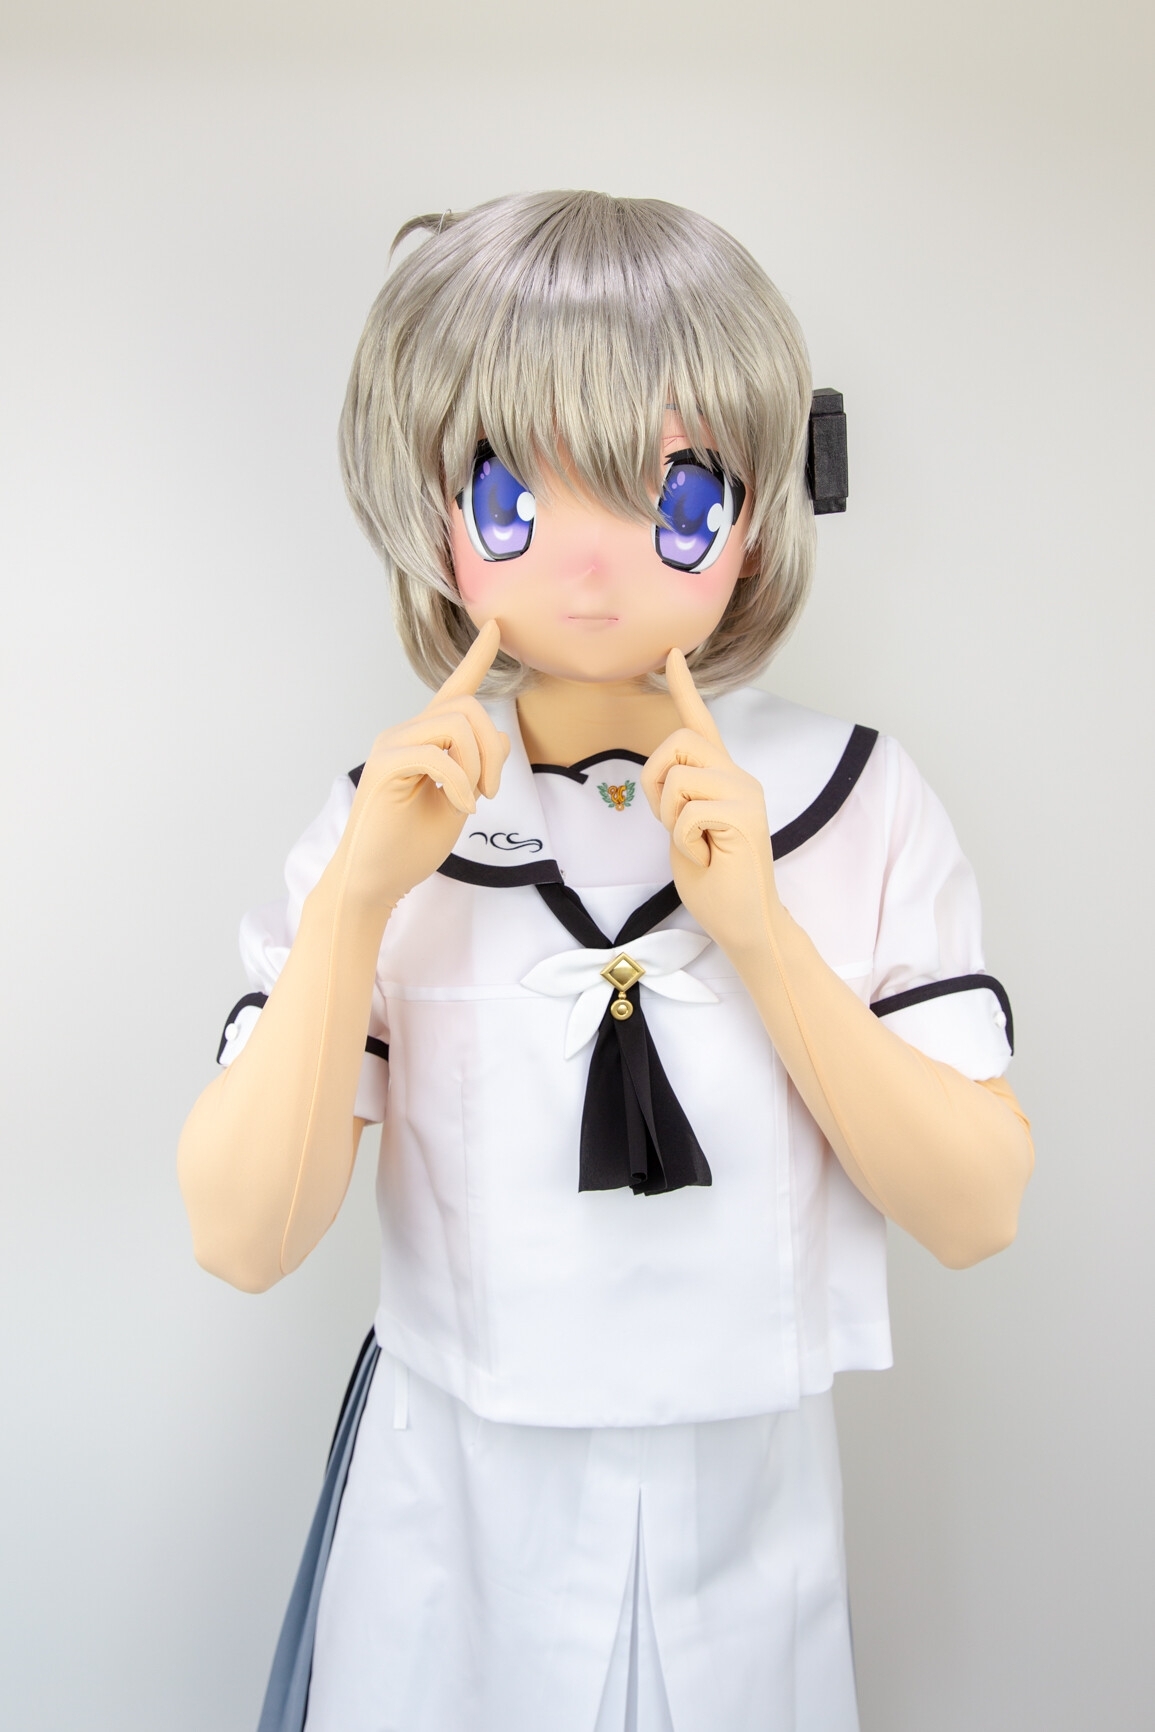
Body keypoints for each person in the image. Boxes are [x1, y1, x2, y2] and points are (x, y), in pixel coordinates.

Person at [178, 191, 1034, 1732]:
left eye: (671, 492)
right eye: (517, 489)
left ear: (760, 508)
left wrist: (763, 938)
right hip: (452, 1534)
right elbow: (243, 1235)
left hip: (746, 1532)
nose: (591, 559)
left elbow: (979, 1209)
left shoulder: (855, 799)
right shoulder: (387, 820)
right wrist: (358, 905)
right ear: (435, 502)